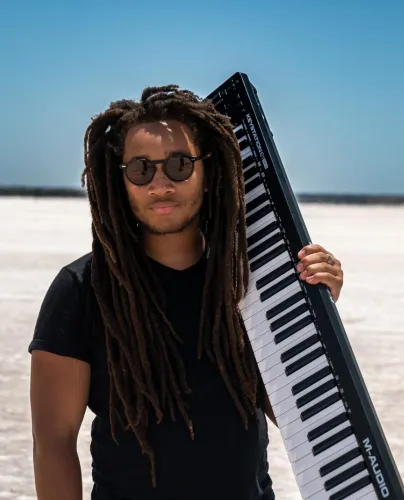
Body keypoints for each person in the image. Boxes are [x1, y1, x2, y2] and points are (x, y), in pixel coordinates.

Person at [28, 85, 344, 500]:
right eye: (141, 169)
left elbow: (290, 412)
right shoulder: (83, 290)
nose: (160, 184)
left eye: (179, 165)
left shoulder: (250, 283)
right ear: (121, 181)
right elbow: (53, 443)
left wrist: (314, 312)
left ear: (208, 173)